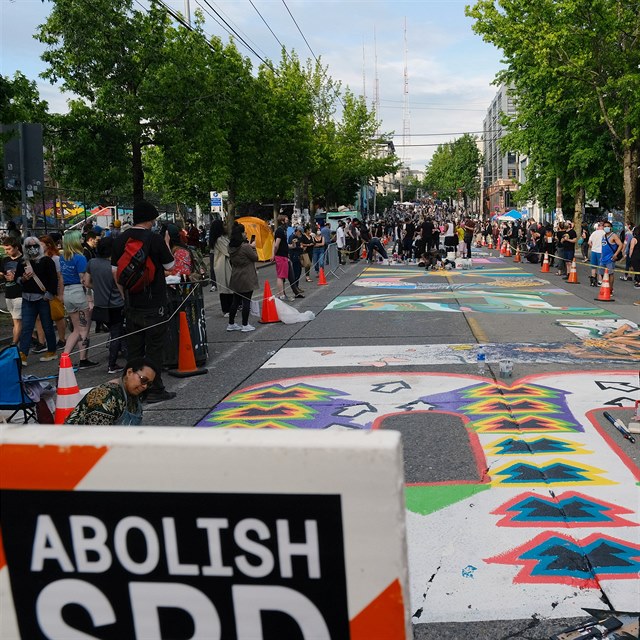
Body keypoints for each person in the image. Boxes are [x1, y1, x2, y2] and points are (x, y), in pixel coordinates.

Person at [112, 200, 176, 404]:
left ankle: (131, 391)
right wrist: (165, 243)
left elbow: (116, 273)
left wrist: (125, 297)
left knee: (135, 349)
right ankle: (155, 389)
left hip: (132, 304)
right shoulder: (155, 239)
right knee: (155, 348)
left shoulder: (120, 239)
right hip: (154, 303)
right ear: (150, 220)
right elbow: (171, 265)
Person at [64, 356, 158, 425]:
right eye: (143, 379)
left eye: (149, 384)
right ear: (129, 372)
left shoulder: (133, 395)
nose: (145, 386)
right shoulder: (106, 396)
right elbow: (96, 439)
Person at [14, 237, 58, 366]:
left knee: (47, 326)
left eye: (34, 245)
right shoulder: (22, 262)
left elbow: (53, 279)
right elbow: (17, 279)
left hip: (42, 298)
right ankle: (23, 354)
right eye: (28, 246)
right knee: (27, 327)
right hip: (27, 298)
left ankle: (51, 351)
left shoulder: (47, 261)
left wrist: (49, 294)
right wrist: (23, 279)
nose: (32, 248)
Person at [86, 237, 126, 374]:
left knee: (113, 332)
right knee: (116, 334)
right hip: (116, 303)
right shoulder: (114, 266)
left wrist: (97, 288)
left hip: (100, 304)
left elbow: (86, 282)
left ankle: (115, 358)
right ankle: (112, 364)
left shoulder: (92, 262)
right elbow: (120, 284)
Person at [60, 230, 98, 369]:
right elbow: (84, 280)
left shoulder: (63, 258)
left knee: (76, 329)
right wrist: (90, 298)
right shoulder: (80, 258)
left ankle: (65, 356)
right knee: (84, 329)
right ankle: (83, 359)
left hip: (68, 293)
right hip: (79, 292)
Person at [227, 224, 259, 333]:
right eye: (244, 232)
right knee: (246, 301)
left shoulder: (231, 247)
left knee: (235, 301)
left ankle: (231, 323)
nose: (246, 234)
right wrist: (253, 247)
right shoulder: (245, 247)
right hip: (246, 276)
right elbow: (255, 258)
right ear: (241, 234)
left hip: (236, 275)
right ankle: (245, 324)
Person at [39, 235, 67, 348]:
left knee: (58, 315)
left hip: (54, 290)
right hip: (42, 291)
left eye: (41, 244)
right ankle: (43, 341)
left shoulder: (55, 259)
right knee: (43, 317)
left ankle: (62, 339)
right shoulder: (39, 258)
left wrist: (60, 293)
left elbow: (60, 277)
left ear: (48, 245)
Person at [0, 236, 24, 345]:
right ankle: (32, 337)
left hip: (19, 293)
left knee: (17, 320)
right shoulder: (5, 260)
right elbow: (1, 273)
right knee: (16, 319)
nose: (7, 252)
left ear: (16, 247)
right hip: (8, 293)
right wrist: (3, 276)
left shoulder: (23, 260)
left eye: (9, 249)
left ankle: (14, 344)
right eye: (5, 249)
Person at [209, 220, 233, 315]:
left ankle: (230, 308)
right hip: (222, 266)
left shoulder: (222, 238)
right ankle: (226, 310)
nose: (225, 226)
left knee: (228, 287)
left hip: (225, 265)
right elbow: (228, 250)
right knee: (224, 288)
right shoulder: (219, 240)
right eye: (224, 225)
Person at [599, 222, 623, 294]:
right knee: (601, 273)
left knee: (610, 274)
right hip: (603, 258)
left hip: (610, 258)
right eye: (605, 226)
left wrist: (615, 254)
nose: (606, 228)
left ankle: (610, 289)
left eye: (608, 226)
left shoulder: (614, 236)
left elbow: (620, 245)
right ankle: (605, 286)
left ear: (611, 228)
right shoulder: (603, 236)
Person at [271, 214, 290, 299]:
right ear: (282, 221)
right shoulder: (280, 231)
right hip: (281, 256)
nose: (287, 221)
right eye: (286, 220)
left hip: (283, 255)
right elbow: (276, 244)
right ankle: (281, 294)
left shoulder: (282, 230)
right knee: (281, 276)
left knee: (282, 275)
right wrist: (274, 254)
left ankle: (282, 294)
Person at [588, 221, 605, 287]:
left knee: (593, 266)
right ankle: (600, 281)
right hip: (601, 251)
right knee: (600, 267)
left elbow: (589, 242)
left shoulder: (594, 233)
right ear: (603, 226)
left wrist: (593, 246)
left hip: (594, 251)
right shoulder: (604, 233)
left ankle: (593, 279)